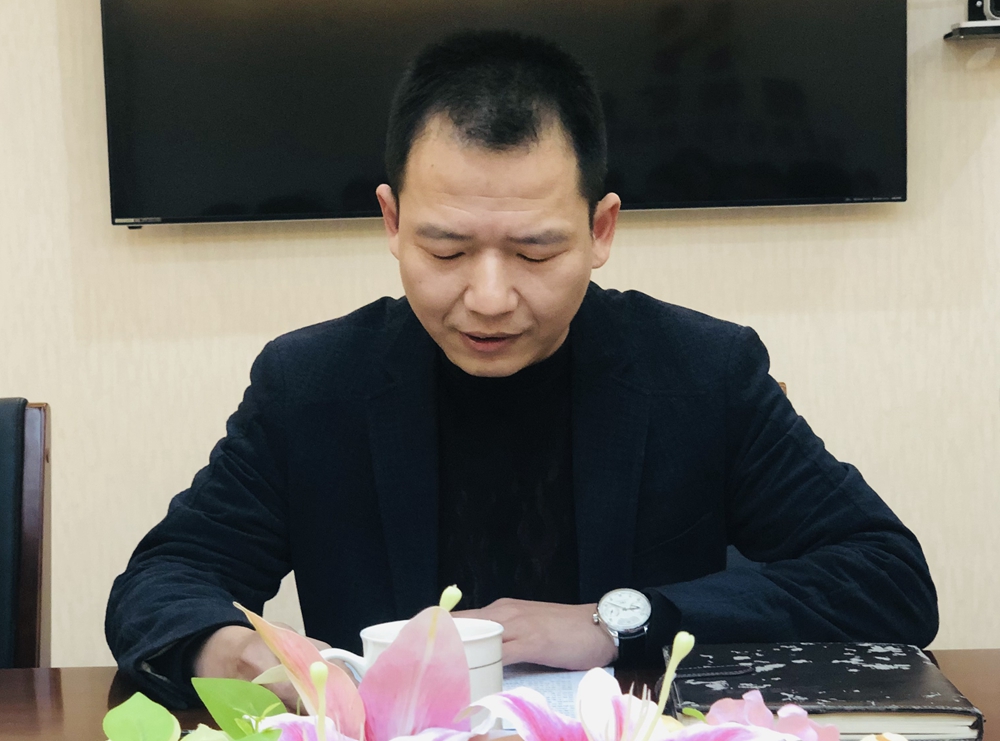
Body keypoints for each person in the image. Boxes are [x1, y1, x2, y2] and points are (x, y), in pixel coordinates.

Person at [105, 30, 938, 710]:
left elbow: (888, 578)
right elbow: (164, 580)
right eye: (446, 249)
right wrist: (236, 652)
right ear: (391, 221)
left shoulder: (701, 372)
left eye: (535, 251)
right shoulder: (311, 385)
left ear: (601, 230)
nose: (490, 297)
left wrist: (615, 620)